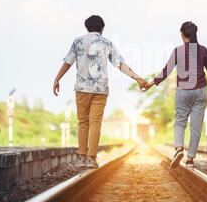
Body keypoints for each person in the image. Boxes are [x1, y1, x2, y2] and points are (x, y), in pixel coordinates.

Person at [53, 15, 148, 168]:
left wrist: (57, 79)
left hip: (82, 89)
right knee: (95, 123)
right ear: (102, 28)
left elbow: (68, 62)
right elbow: (120, 64)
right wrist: (138, 78)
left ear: (86, 27)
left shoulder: (78, 41)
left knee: (83, 122)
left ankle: (81, 158)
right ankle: (91, 159)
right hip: (100, 90)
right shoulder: (107, 43)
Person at [144, 21, 207, 169]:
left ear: (182, 36)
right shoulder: (203, 50)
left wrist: (151, 83)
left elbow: (166, 70)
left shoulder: (178, 51)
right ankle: (190, 159)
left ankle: (179, 149)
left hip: (183, 92)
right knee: (196, 126)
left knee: (180, 122)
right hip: (201, 92)